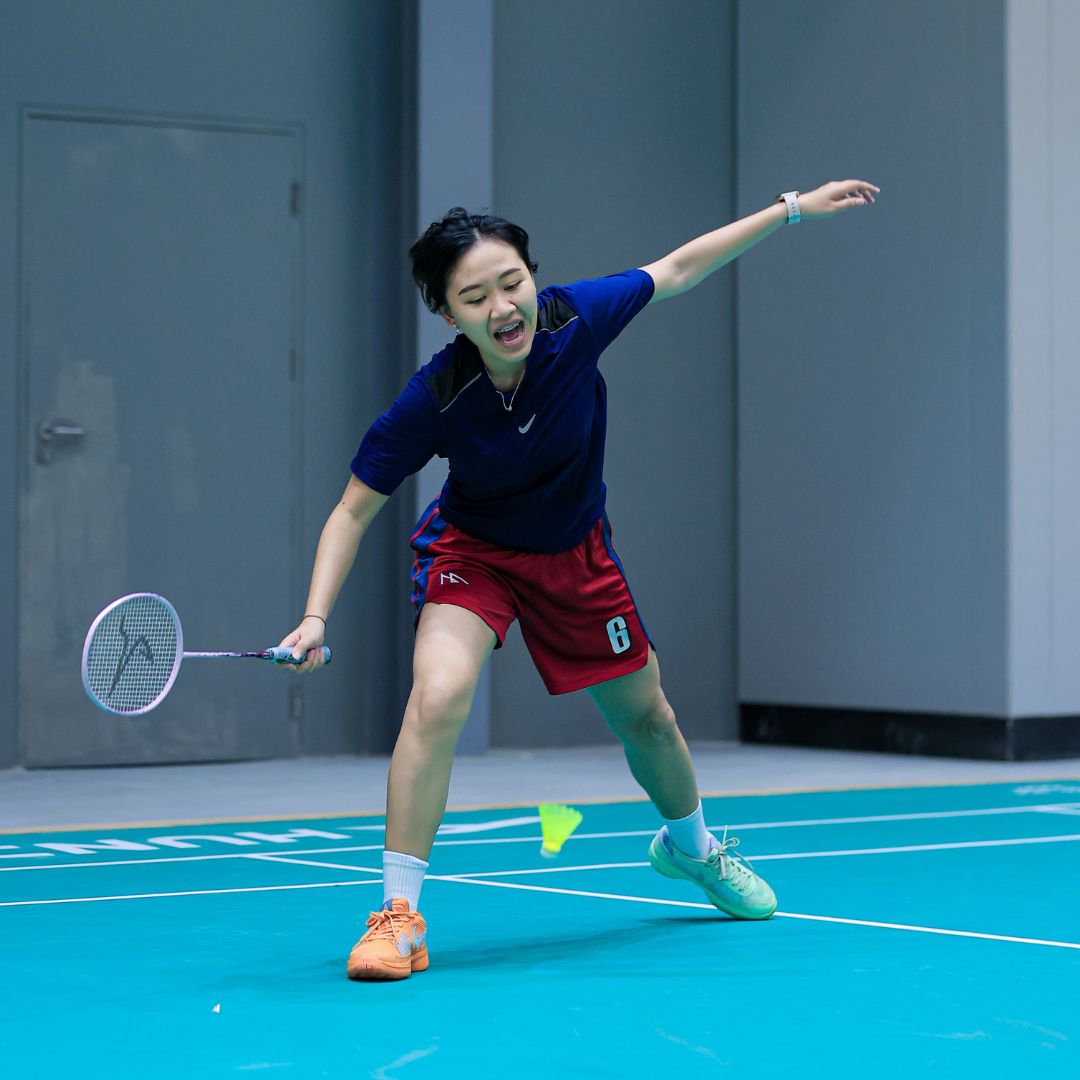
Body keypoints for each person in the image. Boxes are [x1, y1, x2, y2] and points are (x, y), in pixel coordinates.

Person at [278, 179, 880, 981]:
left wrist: (792, 209)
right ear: (448, 313)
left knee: (650, 721)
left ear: (532, 278)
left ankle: (691, 849)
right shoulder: (436, 396)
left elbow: (679, 268)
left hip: (574, 554)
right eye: (475, 296)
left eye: (511, 282)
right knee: (437, 697)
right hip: (476, 553)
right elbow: (353, 510)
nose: (502, 306)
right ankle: (398, 916)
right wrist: (316, 616)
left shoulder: (576, 319)